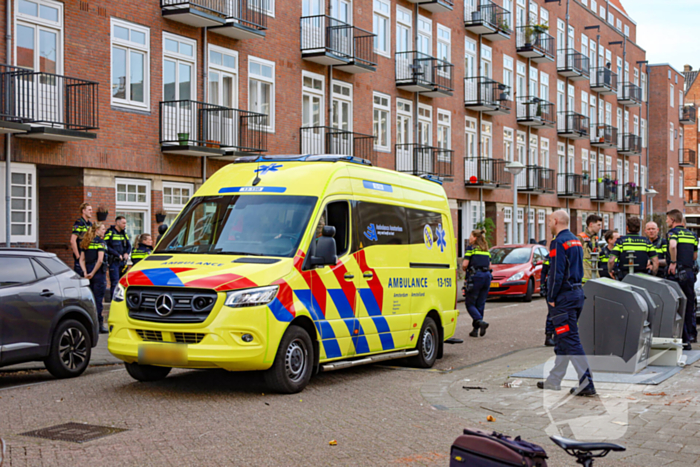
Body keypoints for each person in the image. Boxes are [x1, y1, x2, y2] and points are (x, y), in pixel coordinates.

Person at [538, 210, 596, 396]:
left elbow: (557, 272)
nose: (548, 224)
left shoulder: (558, 242)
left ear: (556, 221)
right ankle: (554, 380)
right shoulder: (575, 240)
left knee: (570, 340)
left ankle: (587, 383)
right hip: (577, 293)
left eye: (549, 221)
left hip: (564, 298)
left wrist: (551, 297)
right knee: (563, 338)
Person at [666, 209, 698, 349]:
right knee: (689, 305)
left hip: (677, 273)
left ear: (673, 220)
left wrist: (673, 262)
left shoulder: (673, 233)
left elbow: (673, 246)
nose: (667, 221)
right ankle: (690, 337)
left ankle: (681, 338)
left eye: (667, 219)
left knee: (676, 305)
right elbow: (695, 256)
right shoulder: (692, 235)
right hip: (689, 273)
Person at [79, 223, 109, 334]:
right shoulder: (100, 242)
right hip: (98, 274)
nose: (104, 231)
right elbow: (100, 260)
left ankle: (88, 325)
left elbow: (81, 260)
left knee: (89, 300)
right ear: (97, 230)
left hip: (87, 272)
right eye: (103, 229)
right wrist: (93, 273)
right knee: (98, 300)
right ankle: (99, 325)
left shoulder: (86, 242)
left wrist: (85, 272)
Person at [609, 216, 658, 280]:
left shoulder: (621, 241)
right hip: (642, 277)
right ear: (639, 228)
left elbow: (611, 260)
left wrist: (610, 271)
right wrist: (652, 274)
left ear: (627, 228)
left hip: (624, 277)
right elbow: (655, 261)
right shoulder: (646, 242)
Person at [462, 230, 491, 338]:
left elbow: (465, 264)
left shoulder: (471, 248)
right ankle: (476, 330)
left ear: (474, 238)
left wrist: (465, 269)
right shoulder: (486, 250)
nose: (469, 238)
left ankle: (479, 321)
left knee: (469, 303)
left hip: (476, 277)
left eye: (470, 236)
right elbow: (490, 266)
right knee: (480, 303)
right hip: (487, 277)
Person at [104, 216, 131, 302]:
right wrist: (117, 254)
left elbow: (129, 246)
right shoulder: (110, 232)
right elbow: (105, 246)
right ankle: (113, 302)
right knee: (115, 283)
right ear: (117, 223)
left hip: (122, 263)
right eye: (123, 223)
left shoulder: (124, 233)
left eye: (125, 223)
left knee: (123, 283)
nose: (125, 225)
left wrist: (127, 253)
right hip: (114, 262)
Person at [578, 214, 602, 283]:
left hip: (595, 276)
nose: (600, 227)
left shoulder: (595, 239)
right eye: (598, 225)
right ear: (591, 224)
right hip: (584, 277)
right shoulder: (580, 238)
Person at [540, 236, 555, 347]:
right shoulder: (548, 257)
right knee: (552, 312)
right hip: (550, 286)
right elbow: (543, 272)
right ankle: (548, 336)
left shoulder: (563, 255)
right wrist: (541, 286)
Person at [70, 203, 93, 276]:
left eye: (91, 210)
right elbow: (72, 240)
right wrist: (78, 257)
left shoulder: (90, 224)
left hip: (88, 258)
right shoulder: (79, 223)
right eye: (89, 210)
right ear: (83, 211)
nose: (91, 211)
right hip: (81, 257)